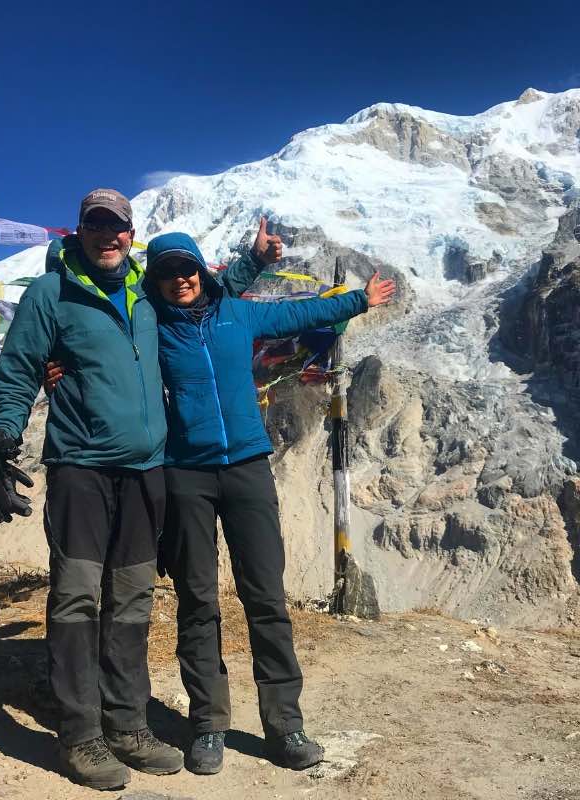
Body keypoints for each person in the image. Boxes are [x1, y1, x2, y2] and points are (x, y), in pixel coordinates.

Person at [0, 189, 280, 791]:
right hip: (81, 468)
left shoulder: (146, 291)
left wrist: (253, 262)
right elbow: (19, 368)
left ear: (131, 233)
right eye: (97, 225)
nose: (108, 236)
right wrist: (5, 430)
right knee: (78, 596)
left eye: (118, 227)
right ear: (80, 230)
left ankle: (129, 723)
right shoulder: (50, 293)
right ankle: (81, 734)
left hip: (147, 471)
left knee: (134, 597)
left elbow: (205, 292)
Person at [142, 232, 395, 775]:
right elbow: (104, 352)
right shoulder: (151, 326)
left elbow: (299, 312)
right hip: (185, 472)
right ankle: (208, 723)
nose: (180, 278)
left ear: (201, 272)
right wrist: (58, 366)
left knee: (266, 596)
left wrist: (358, 300)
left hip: (249, 468)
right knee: (197, 598)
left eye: (187, 268)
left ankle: (285, 724)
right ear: (155, 281)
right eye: (168, 272)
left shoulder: (239, 315)